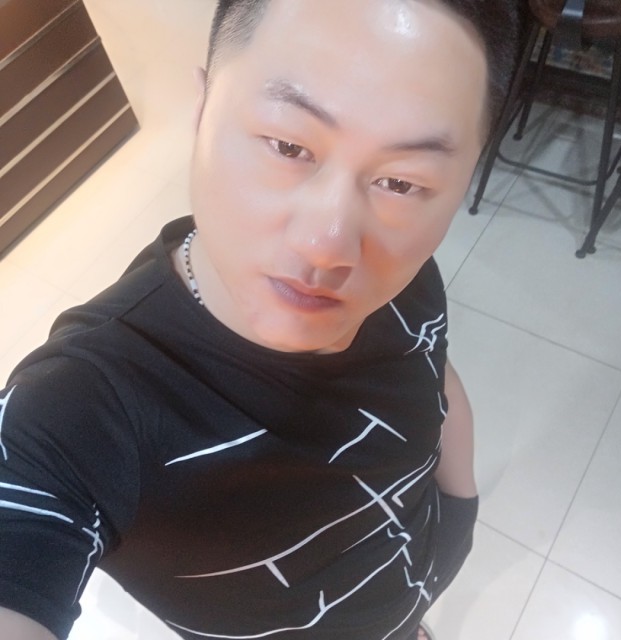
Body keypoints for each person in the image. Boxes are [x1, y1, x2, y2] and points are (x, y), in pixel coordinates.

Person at [0, 1, 522, 638]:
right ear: (202, 111)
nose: (327, 245)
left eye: (401, 183)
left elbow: (433, 374)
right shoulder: (77, 412)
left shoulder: (405, 278)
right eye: (289, 146)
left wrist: (459, 505)